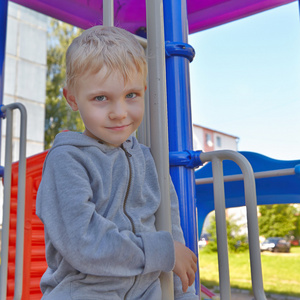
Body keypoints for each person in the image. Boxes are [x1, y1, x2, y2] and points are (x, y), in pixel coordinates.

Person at [36, 25, 198, 300]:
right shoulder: (67, 160)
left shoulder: (150, 161)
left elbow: (172, 236)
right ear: (72, 99)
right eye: (101, 98)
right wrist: (162, 252)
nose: (119, 113)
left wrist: (185, 295)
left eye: (131, 95)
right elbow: (83, 242)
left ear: (144, 91)